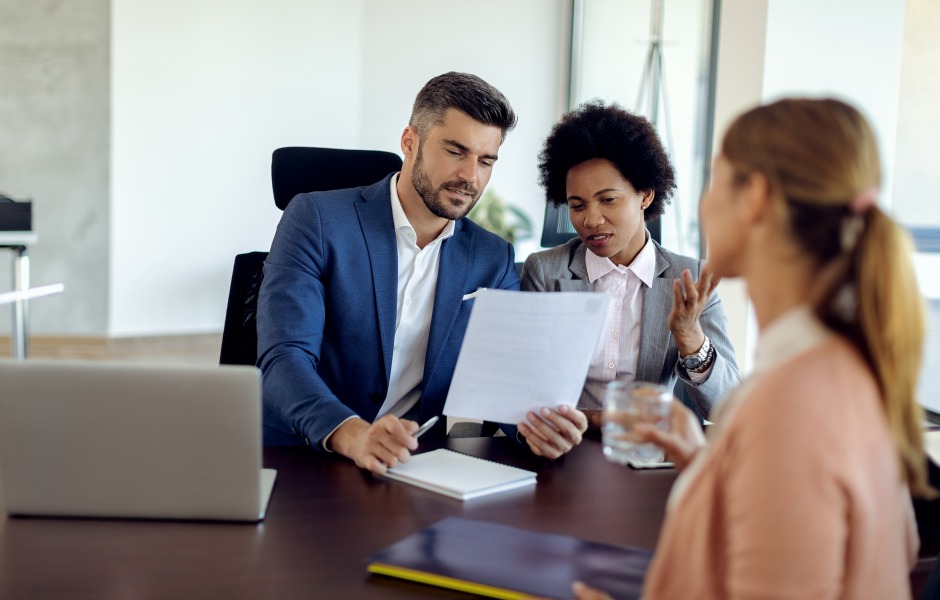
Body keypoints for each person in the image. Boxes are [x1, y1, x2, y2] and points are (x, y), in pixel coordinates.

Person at [574, 98, 932, 599]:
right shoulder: (848, 371)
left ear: (756, 197)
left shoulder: (787, 406)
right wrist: (710, 468)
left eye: (717, 177)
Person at [257, 72, 584, 475]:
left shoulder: (492, 257)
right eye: (455, 151)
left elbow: (503, 382)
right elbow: (285, 358)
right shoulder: (316, 219)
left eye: (486, 161)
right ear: (410, 142)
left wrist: (535, 428)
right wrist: (353, 433)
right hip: (303, 459)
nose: (471, 176)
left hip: (411, 469)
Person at [520, 101, 738, 431]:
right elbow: (524, 391)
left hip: (645, 455)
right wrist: (599, 420)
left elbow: (726, 407)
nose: (591, 220)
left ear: (646, 195)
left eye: (608, 199)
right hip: (563, 449)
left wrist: (691, 339)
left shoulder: (690, 281)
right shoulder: (545, 273)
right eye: (577, 205)